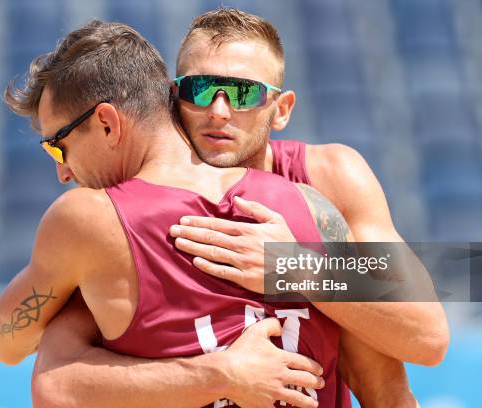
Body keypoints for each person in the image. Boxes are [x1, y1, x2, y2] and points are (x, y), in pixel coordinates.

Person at [30, 9, 449, 408]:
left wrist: (296, 267)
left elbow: (426, 336)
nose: (218, 111)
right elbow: (49, 370)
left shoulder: (328, 177)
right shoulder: (124, 204)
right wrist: (221, 374)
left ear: (280, 110)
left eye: (243, 93)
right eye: (199, 90)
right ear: (172, 98)